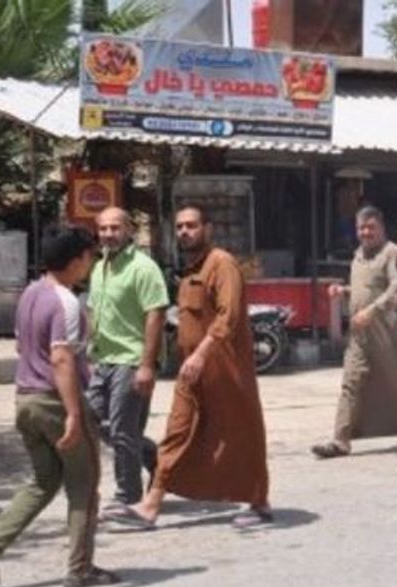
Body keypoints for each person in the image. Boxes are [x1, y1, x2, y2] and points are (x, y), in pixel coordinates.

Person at [0, 228, 120, 587]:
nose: (91, 264)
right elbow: (61, 358)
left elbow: (23, 348)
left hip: (25, 399)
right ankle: (80, 568)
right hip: (54, 401)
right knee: (83, 484)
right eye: (89, 257)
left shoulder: (30, 294)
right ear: (77, 259)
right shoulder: (66, 301)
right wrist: (74, 414)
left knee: (43, 480)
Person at [105, 206, 272, 530]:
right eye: (180, 227)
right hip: (192, 373)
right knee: (177, 431)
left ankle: (258, 500)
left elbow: (228, 317)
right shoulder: (190, 270)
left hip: (225, 370)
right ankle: (151, 506)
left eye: (191, 226)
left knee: (240, 433)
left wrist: (201, 354)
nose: (184, 232)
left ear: (207, 229)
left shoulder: (222, 264)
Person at [311, 206, 397, 459]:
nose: (366, 232)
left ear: (382, 228)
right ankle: (340, 440)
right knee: (350, 382)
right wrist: (343, 291)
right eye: (361, 228)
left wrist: (372, 310)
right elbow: (364, 288)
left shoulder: (391, 253)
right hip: (359, 335)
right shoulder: (358, 255)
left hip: (386, 334)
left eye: (371, 227)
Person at [85, 207, 168, 509]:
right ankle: (153, 458)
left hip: (131, 359)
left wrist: (146, 365)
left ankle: (127, 496)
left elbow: (156, 314)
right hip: (103, 359)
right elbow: (93, 312)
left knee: (122, 430)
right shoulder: (99, 267)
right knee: (91, 420)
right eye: (103, 228)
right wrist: (89, 353)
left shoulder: (143, 268)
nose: (108, 234)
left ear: (129, 230)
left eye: (115, 228)